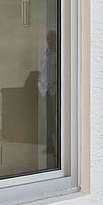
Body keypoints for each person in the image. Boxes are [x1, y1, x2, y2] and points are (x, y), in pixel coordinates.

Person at [38, 29, 59, 162]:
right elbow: (42, 71)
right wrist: (40, 85)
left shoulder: (58, 54)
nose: (49, 41)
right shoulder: (45, 54)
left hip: (54, 90)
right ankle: (50, 145)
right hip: (45, 90)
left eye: (51, 38)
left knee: (55, 119)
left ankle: (57, 147)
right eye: (48, 39)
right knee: (47, 119)